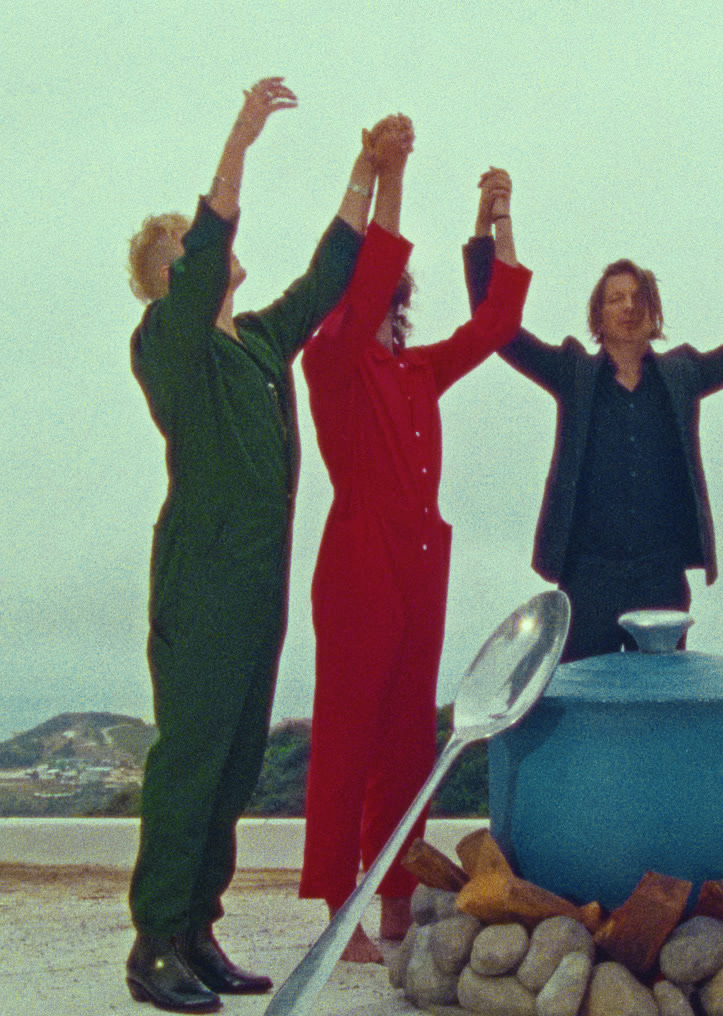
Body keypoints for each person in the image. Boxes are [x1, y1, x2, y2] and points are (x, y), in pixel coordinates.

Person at [123, 77, 371, 1013]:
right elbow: (208, 244)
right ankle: (154, 943)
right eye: (187, 252)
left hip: (259, 583)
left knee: (233, 763)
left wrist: (364, 171)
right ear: (168, 277)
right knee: (192, 756)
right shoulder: (168, 343)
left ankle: (197, 932)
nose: (209, 254)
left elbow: (324, 280)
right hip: (202, 579)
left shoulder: (260, 342)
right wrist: (240, 136)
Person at [296, 119, 531, 963]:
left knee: (406, 740)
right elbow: (371, 270)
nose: (386, 304)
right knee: (348, 736)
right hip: (359, 553)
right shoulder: (329, 360)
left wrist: (496, 220)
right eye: (376, 292)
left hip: (422, 558)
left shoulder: (417, 368)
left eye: (394, 297)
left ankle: (396, 896)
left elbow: (497, 323)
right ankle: (339, 908)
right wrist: (386, 175)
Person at [462, 187, 723, 660]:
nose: (628, 306)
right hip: (587, 578)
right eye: (616, 299)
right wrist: (491, 227)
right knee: (586, 697)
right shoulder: (574, 373)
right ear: (598, 316)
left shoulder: (682, 374)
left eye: (638, 297)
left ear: (653, 312)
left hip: (661, 577)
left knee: (661, 698)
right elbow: (499, 332)